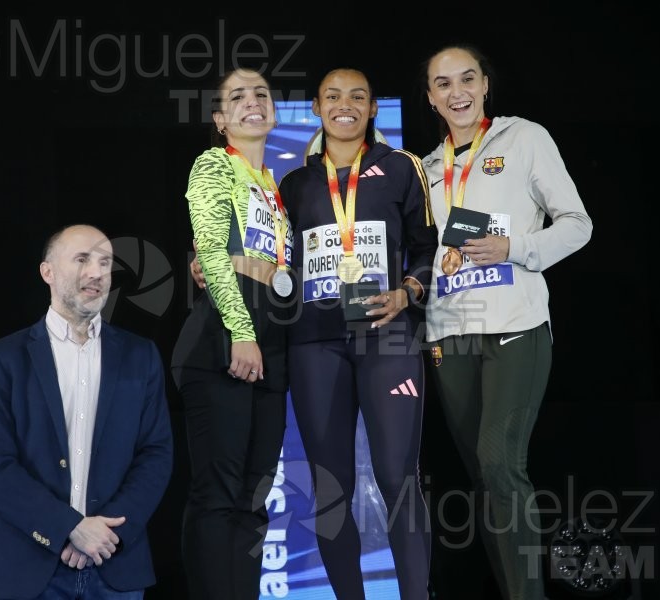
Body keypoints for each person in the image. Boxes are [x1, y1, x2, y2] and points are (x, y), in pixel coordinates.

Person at [188, 67, 439, 599]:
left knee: (398, 480)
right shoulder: (293, 184)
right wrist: (210, 261)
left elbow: (426, 248)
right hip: (312, 342)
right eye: (332, 96)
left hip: (386, 335)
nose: (344, 104)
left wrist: (409, 291)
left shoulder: (401, 168)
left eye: (358, 96)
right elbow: (270, 256)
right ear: (318, 109)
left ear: (373, 109)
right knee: (331, 490)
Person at [419, 44, 593, 600]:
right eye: (443, 84)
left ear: (485, 84)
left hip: (515, 327)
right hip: (450, 335)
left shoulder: (524, 139)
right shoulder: (424, 170)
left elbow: (577, 223)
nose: (457, 92)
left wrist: (514, 247)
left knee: (500, 463)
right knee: (483, 479)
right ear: (430, 98)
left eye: (467, 79)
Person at [0, 224, 173, 600]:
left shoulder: (141, 356)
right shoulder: (3, 359)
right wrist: (68, 528)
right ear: (47, 272)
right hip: (29, 570)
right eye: (82, 259)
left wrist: (103, 536)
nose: (96, 272)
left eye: (105, 262)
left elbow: (156, 454)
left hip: (116, 566)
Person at [170, 68, 294, 600]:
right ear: (221, 119)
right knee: (218, 496)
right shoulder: (215, 164)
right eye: (237, 97)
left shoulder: (274, 186)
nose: (253, 102)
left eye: (262, 94)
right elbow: (213, 254)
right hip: (222, 343)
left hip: (272, 349)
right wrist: (241, 333)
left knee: (254, 499)